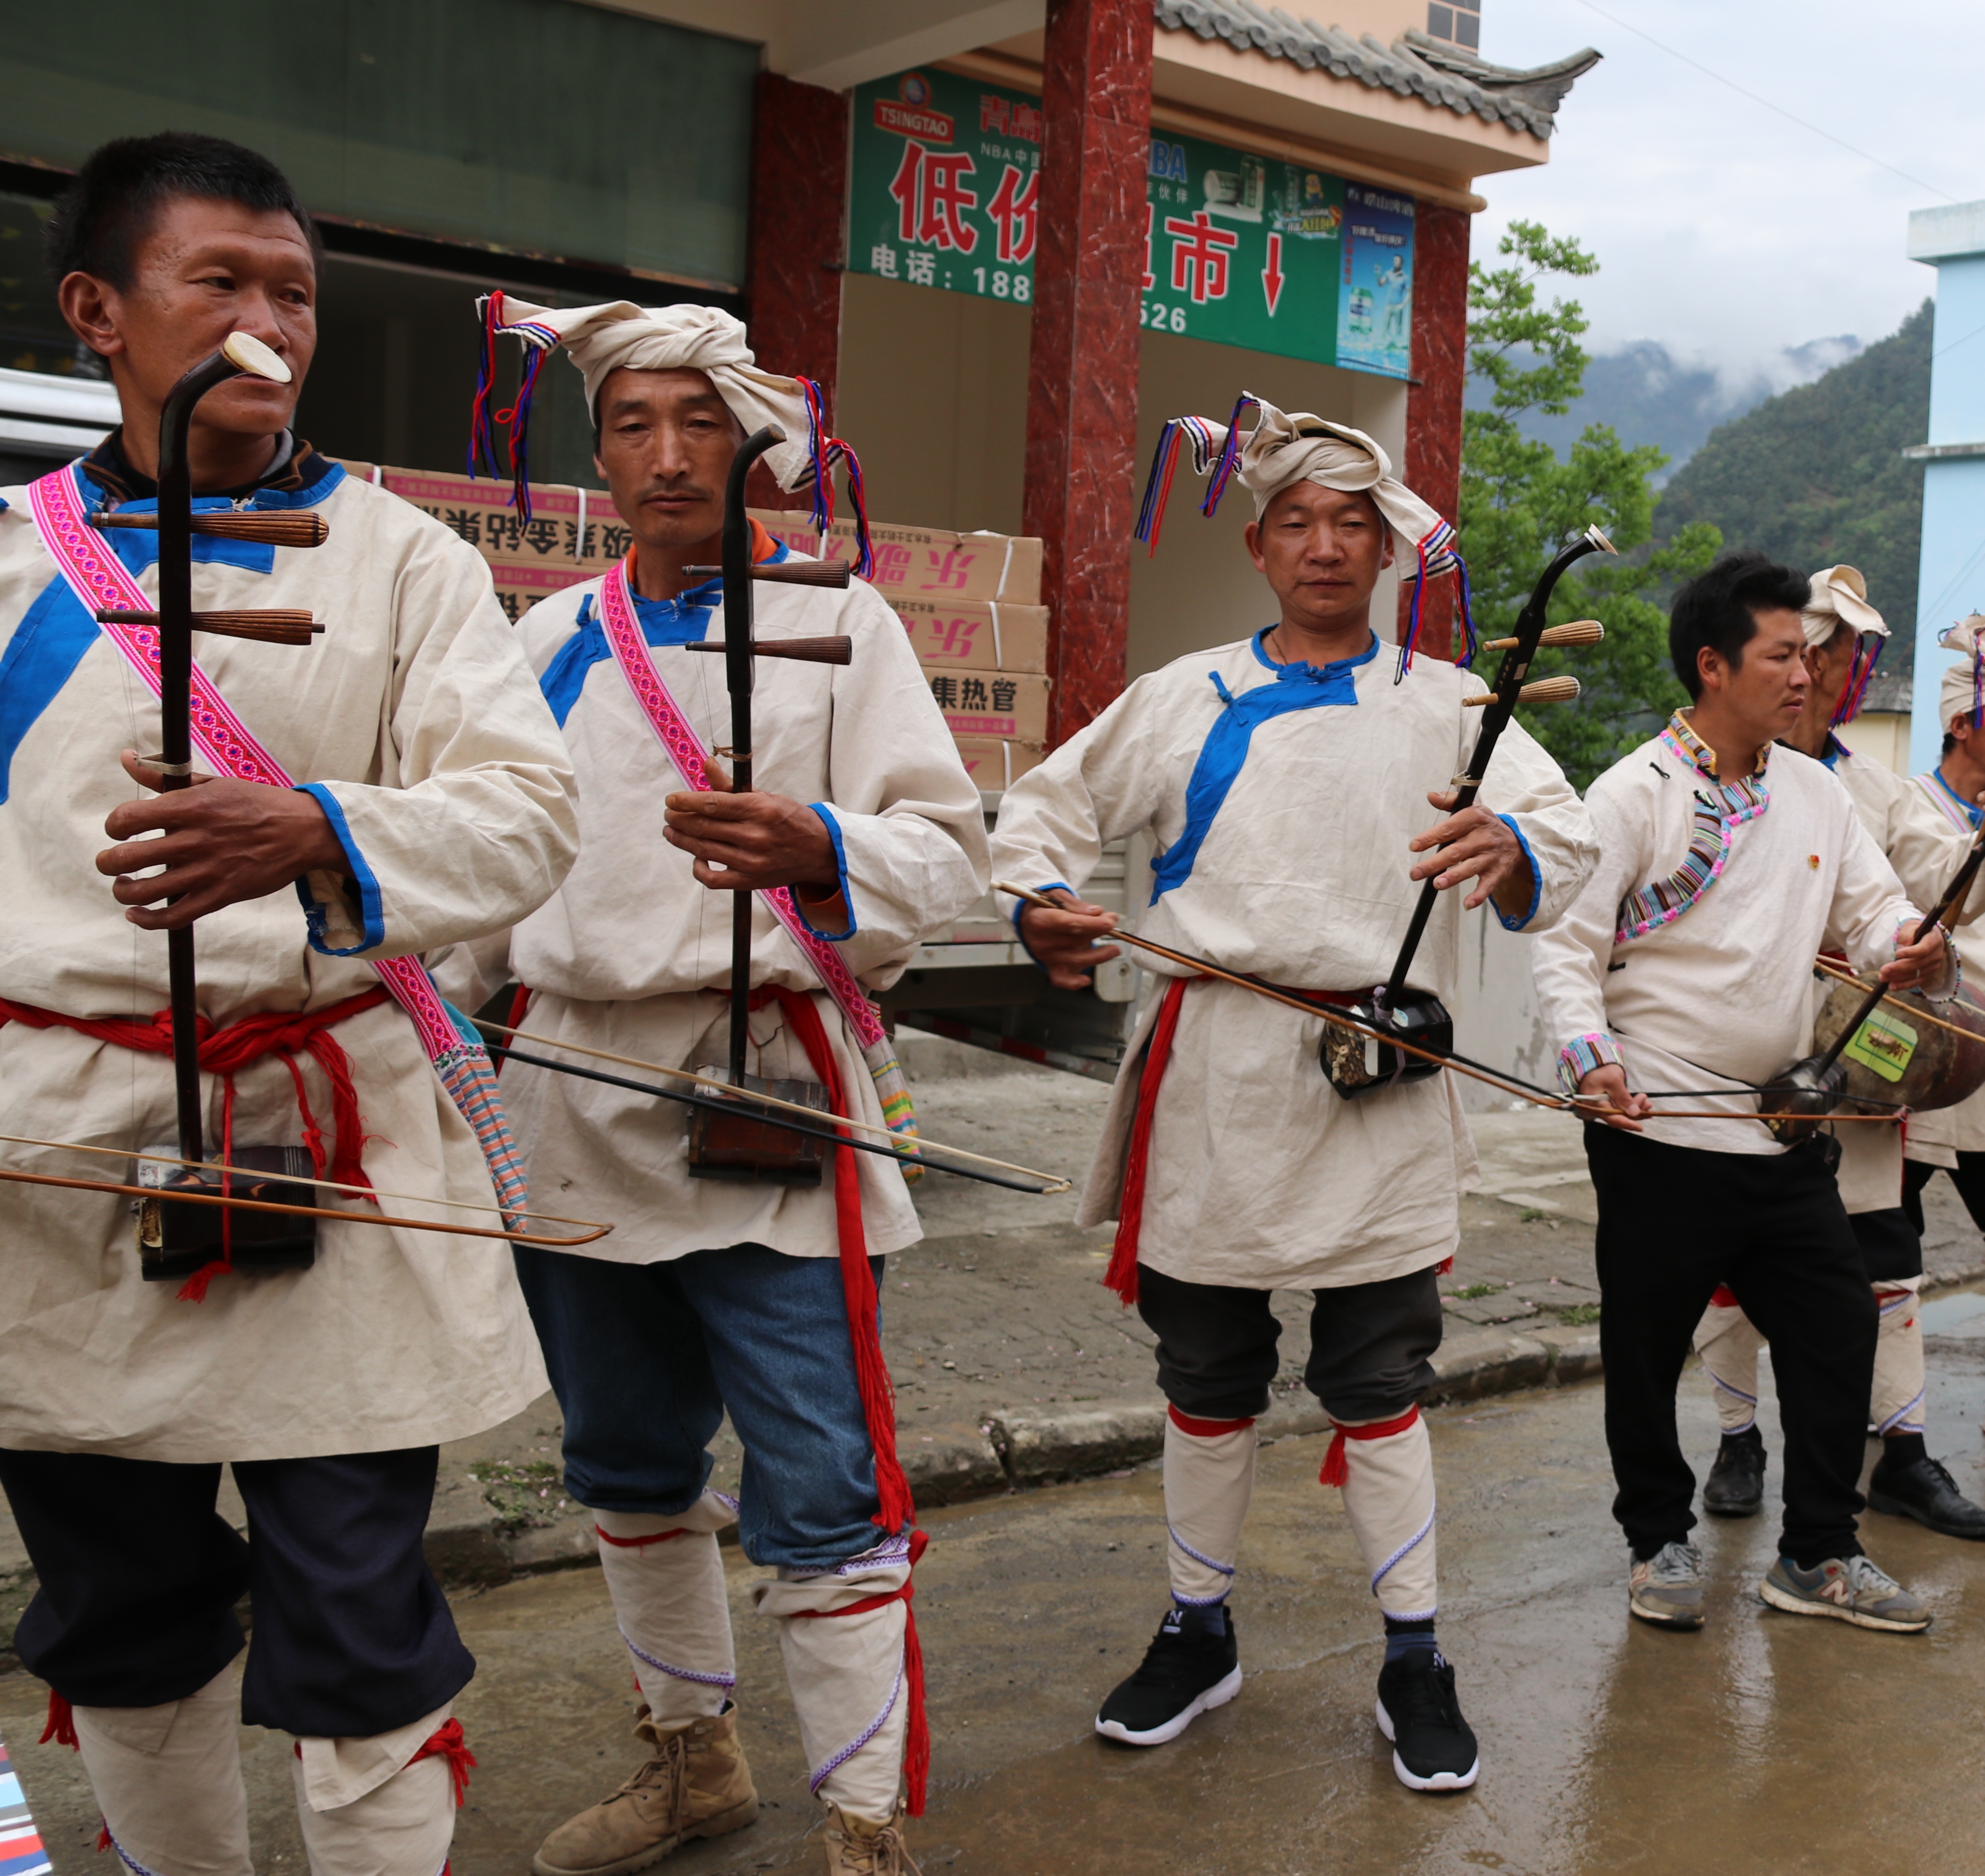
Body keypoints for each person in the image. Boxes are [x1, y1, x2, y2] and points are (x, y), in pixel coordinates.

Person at [0, 135, 579, 1876]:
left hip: (334, 1138)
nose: (270, 323)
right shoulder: (10, 561)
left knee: (356, 1597)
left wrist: (320, 823)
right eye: (221, 284)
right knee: (118, 1592)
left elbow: (528, 809)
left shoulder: (404, 557)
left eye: (296, 292)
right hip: (58, 1158)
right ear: (98, 310)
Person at [439, 297, 992, 1876]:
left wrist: (823, 847)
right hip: (571, 1096)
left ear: (759, 442)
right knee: (620, 1459)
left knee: (822, 1483)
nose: (669, 454)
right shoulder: (540, 645)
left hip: (769, 1098)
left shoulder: (842, 623)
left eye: (701, 422)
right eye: (633, 424)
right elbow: (480, 881)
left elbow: (948, 858)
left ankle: (865, 1828)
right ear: (599, 451)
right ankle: (693, 1763)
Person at [992, 397, 1596, 1793]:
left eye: (1354, 521)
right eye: (1298, 521)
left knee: (1379, 1381)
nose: (1326, 545)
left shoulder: (1456, 703)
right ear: (1258, 542)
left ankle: (1414, 1653)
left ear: (1387, 546)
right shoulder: (1184, 693)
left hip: (1382, 1083)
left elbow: (1562, 840)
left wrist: (1508, 843)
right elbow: (1043, 813)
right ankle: (1196, 1630)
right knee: (1205, 1375)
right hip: (1217, 1076)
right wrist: (1039, 904)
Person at [1533, 550, 1955, 1639]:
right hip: (1658, 1127)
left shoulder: (1817, 791)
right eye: (1783, 654)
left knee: (1833, 1328)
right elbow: (1566, 949)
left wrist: (1910, 946)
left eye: (1810, 655)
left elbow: (1874, 916)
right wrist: (1594, 1061)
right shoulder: (1632, 793)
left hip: (1780, 1129)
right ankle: (1656, 1536)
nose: (1806, 674)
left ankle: (1818, 1549)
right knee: (1643, 1345)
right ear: (1715, 666)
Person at [1689, 590, 1985, 1543]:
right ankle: (1739, 1437)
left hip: (1855, 1065)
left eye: (1847, 658)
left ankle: (1902, 1453)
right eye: (1817, 651)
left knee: (1886, 1258)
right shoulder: (1699, 775)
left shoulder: (1874, 789)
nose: (1824, 676)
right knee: (1732, 1263)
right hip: (1735, 1064)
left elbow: (1950, 888)